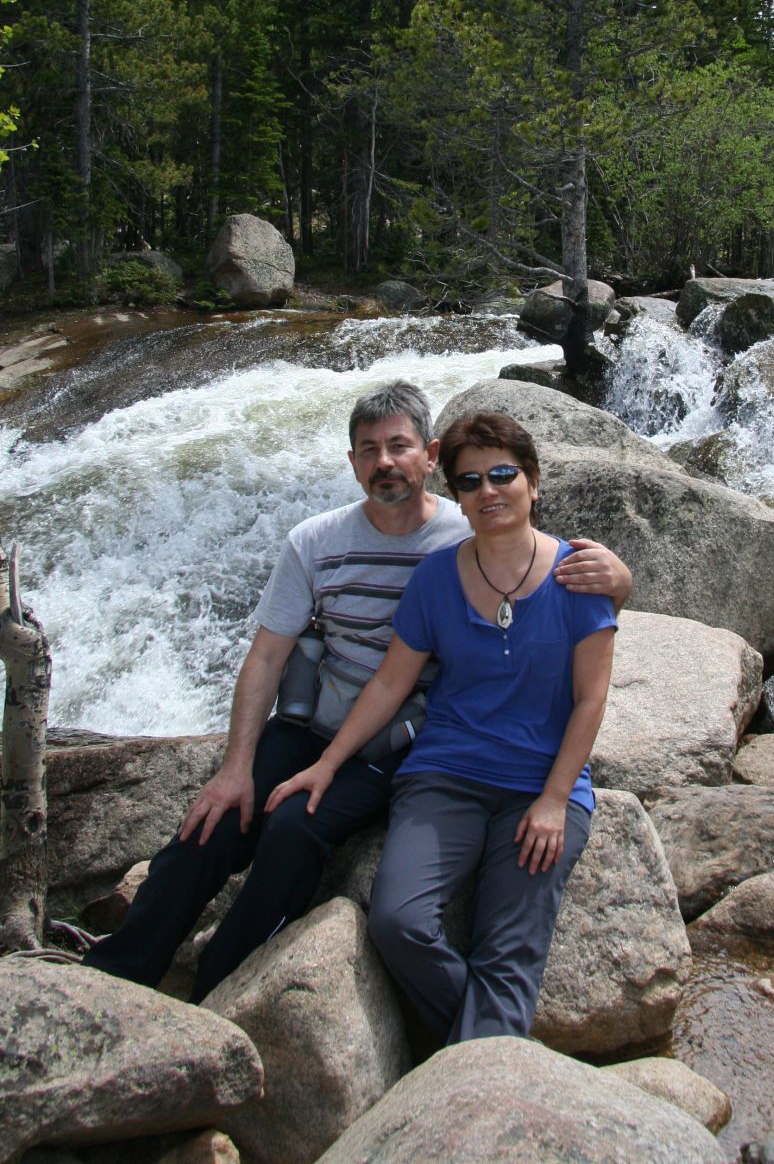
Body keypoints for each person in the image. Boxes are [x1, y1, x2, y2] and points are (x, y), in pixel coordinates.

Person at [82, 382, 631, 1002]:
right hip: (313, 720)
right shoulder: (314, 541)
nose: (384, 462)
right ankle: (114, 976)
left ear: (429, 456)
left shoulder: (466, 531)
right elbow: (267, 655)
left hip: (403, 734)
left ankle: (216, 992)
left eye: (399, 446)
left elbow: (536, 566)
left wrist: (621, 579)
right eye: (369, 450)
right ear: (352, 463)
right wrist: (235, 767)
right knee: (216, 818)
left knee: (293, 828)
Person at [266, 411, 615, 1043]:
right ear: (455, 494)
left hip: (538, 787)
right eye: (470, 481)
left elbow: (591, 700)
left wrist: (555, 800)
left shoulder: (579, 578)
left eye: (503, 474)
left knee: (507, 952)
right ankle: (489, 1051)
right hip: (444, 776)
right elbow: (390, 684)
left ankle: (467, 1075)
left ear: (533, 482)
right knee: (397, 922)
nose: (488, 491)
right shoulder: (435, 578)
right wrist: (327, 763)